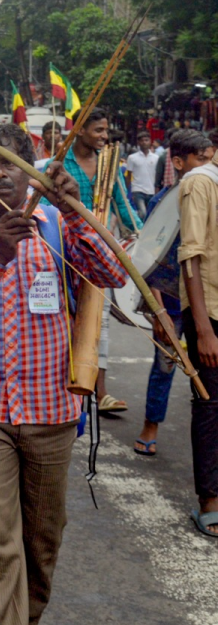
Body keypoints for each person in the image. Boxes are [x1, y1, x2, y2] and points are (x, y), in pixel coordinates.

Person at [0, 123, 125, 625]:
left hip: (52, 411)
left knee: (42, 538)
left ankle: (26, 619)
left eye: (10, 163)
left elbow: (112, 274)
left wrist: (78, 212)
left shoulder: (58, 226)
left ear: (29, 167)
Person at [53, 107, 141, 414]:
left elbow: (123, 204)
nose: (104, 136)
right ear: (79, 130)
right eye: (98, 130)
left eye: (106, 131)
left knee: (98, 322)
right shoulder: (60, 163)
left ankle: (98, 390)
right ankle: (63, 381)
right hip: (65, 248)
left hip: (99, 251)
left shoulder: (109, 164)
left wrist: (141, 237)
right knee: (64, 316)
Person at [135, 131, 213, 456]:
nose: (208, 166)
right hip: (169, 299)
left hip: (208, 300)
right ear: (179, 163)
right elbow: (148, 258)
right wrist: (157, 310)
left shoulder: (212, 194)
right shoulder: (162, 202)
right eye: (201, 160)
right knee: (166, 364)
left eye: (211, 159)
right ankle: (150, 425)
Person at [175, 129, 218, 537]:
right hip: (211, 313)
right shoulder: (200, 181)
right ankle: (210, 498)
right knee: (210, 405)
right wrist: (203, 329)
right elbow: (190, 256)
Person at [125, 130, 160, 219]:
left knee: (150, 214)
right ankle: (141, 230)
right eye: (142, 140)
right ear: (138, 142)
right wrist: (126, 190)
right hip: (137, 189)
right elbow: (128, 175)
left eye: (146, 140)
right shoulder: (132, 158)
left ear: (150, 142)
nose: (144, 142)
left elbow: (158, 175)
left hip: (151, 190)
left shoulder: (156, 158)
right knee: (143, 212)